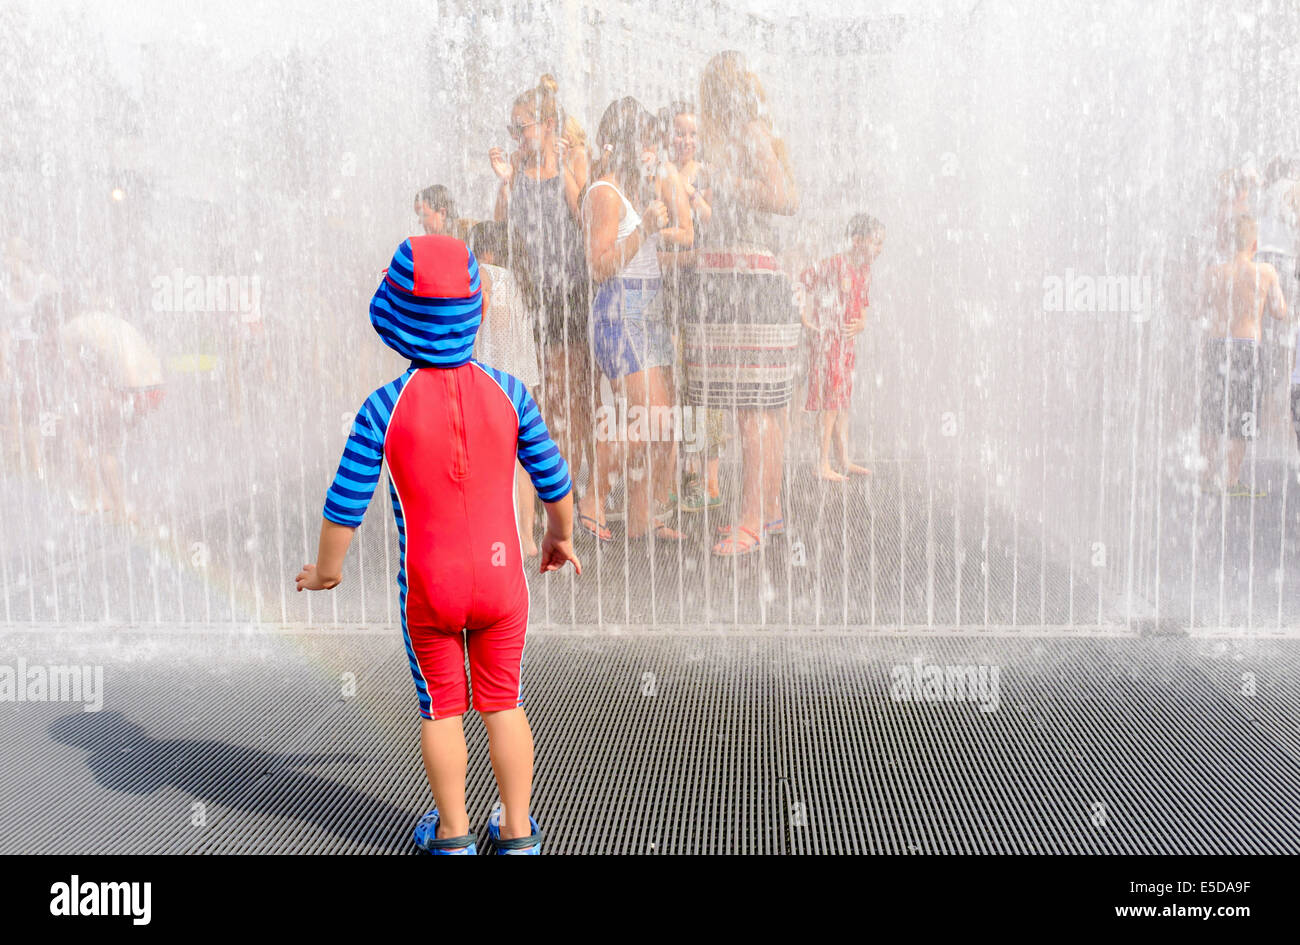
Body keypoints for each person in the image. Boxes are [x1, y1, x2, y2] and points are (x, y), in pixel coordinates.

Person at [296, 235, 581, 855]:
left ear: (398, 317)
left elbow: (345, 504)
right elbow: (554, 481)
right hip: (505, 582)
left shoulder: (382, 408)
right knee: (504, 702)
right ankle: (517, 831)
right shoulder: (510, 391)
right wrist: (559, 537)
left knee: (442, 708)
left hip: (431, 586)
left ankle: (453, 835)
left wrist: (326, 571)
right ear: (475, 312)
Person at [681, 51, 799, 555]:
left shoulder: (749, 131)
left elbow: (785, 197)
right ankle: (767, 511)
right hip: (734, 281)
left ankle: (750, 519)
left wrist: (725, 184)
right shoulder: (733, 136)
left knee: (753, 408)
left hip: (749, 282)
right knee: (757, 407)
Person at [489, 76, 597, 540]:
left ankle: (565, 490)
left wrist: (583, 167)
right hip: (530, 299)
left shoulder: (567, 171)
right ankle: (536, 495)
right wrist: (506, 184)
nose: (516, 137)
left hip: (567, 296)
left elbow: (588, 222)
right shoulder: (514, 175)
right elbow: (498, 235)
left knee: (566, 396)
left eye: (523, 127)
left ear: (548, 125)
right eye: (513, 129)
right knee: (532, 400)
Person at [581, 97, 691, 541]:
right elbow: (599, 265)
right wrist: (645, 229)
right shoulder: (604, 194)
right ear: (626, 143)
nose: (652, 151)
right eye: (645, 142)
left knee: (660, 423)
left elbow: (641, 258)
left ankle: (643, 518)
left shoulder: (628, 192)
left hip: (647, 308)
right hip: (619, 309)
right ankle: (591, 499)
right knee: (651, 419)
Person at [1198, 215, 1288, 495]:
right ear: (1255, 244)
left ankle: (1206, 476)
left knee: (1213, 414)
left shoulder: (1213, 272)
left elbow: (1200, 308)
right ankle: (1229, 479)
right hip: (1246, 348)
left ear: (1227, 242)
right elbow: (1279, 311)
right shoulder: (1265, 272)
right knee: (1243, 416)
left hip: (1216, 345)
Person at [469, 220, 544, 556]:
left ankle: (491, 538)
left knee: (486, 461)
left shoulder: (486, 273)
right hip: (521, 383)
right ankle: (526, 538)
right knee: (520, 462)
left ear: (484, 249)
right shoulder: (522, 280)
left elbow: (491, 320)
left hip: (492, 381)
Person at [802, 214, 884, 481]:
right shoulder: (836, 264)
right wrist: (804, 316)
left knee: (842, 402)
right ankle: (821, 463)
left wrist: (862, 322)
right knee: (831, 402)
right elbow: (803, 280)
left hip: (846, 345)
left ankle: (843, 459)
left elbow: (863, 306)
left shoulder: (864, 271)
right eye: (876, 242)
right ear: (857, 240)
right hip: (828, 343)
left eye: (882, 244)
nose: (879, 250)